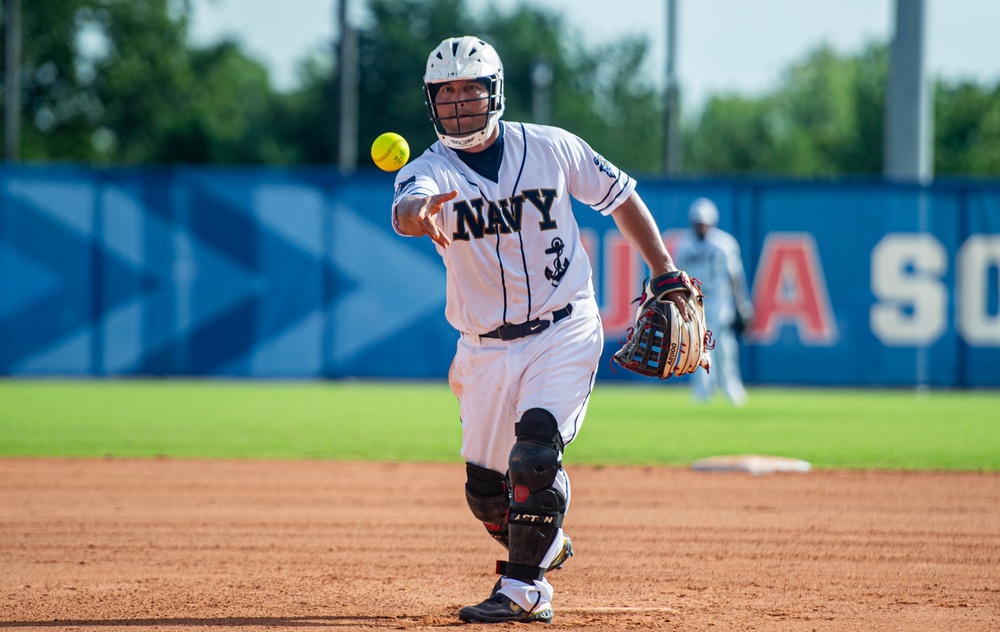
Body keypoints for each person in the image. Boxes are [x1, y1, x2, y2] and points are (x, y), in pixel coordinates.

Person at [389, 36, 695, 624]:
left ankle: (524, 590)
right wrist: (416, 214)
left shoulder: (552, 148)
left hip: (564, 327)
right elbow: (406, 211)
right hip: (482, 348)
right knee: (486, 494)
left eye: (469, 89)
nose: (458, 102)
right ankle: (545, 535)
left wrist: (665, 269)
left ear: (493, 93)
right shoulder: (425, 169)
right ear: (432, 102)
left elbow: (621, 196)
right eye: (445, 92)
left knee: (532, 455)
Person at [672, 197, 754, 406]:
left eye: (704, 222)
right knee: (697, 347)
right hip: (695, 300)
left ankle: (731, 388)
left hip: (719, 300)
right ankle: (702, 392)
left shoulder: (724, 244)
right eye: (698, 222)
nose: (701, 227)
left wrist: (742, 304)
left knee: (724, 346)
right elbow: (677, 277)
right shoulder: (684, 244)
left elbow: (736, 277)